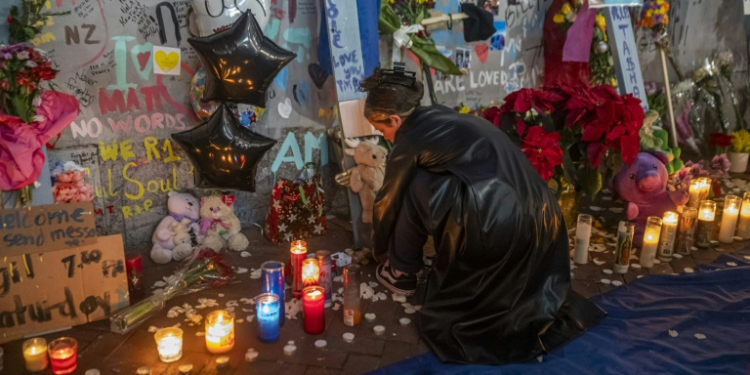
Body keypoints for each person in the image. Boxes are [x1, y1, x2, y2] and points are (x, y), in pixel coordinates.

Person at [360, 67, 604, 365]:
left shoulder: (409, 138)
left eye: (381, 129)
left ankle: (400, 272)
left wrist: (378, 244)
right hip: (542, 217)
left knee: (413, 182)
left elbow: (388, 198)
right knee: (428, 179)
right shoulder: (438, 115)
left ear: (395, 120)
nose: (382, 136)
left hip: (497, 226)